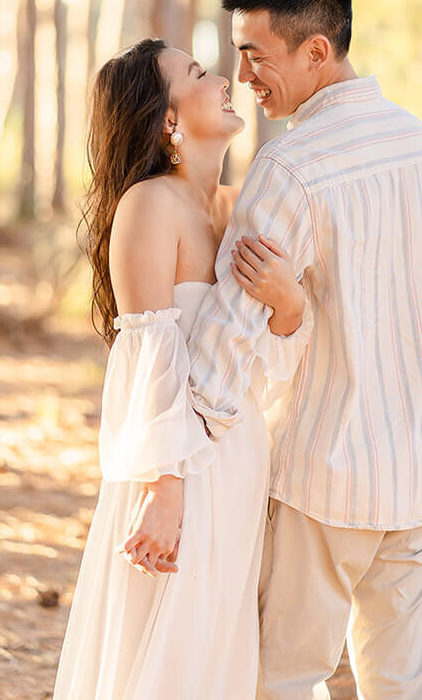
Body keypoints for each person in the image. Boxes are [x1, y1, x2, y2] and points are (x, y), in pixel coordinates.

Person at [184, 0, 422, 700]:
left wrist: (184, 451)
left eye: (256, 55)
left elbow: (230, 327)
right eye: (237, 54)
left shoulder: (291, 167)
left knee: (283, 677)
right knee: (398, 682)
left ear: (318, 50)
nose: (243, 76)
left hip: (330, 473)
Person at [52, 38, 313, 700]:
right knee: (171, 648)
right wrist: (162, 490)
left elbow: (268, 365)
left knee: (223, 643)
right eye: (197, 73)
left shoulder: (240, 208)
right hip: (177, 469)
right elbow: (147, 359)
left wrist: (289, 304)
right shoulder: (149, 205)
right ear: (169, 121)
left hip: (242, 456)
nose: (224, 77)